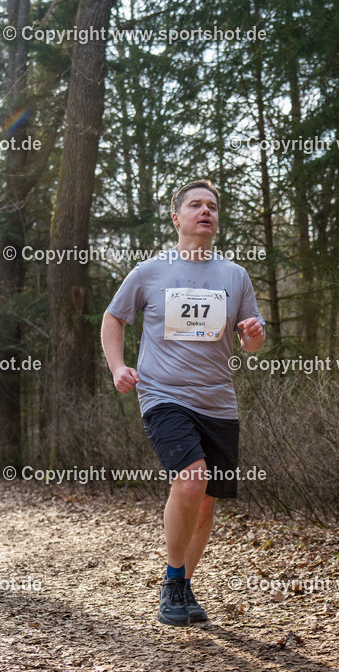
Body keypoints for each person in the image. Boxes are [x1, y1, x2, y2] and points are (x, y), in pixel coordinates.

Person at [102, 179, 265, 626]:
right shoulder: (150, 271)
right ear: (177, 218)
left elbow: (253, 341)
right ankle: (173, 582)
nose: (205, 211)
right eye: (195, 205)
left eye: (212, 205)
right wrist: (118, 367)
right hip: (163, 395)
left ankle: (184, 587)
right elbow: (113, 317)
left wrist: (253, 335)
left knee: (208, 500)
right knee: (191, 481)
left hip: (219, 402)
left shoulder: (235, 275)